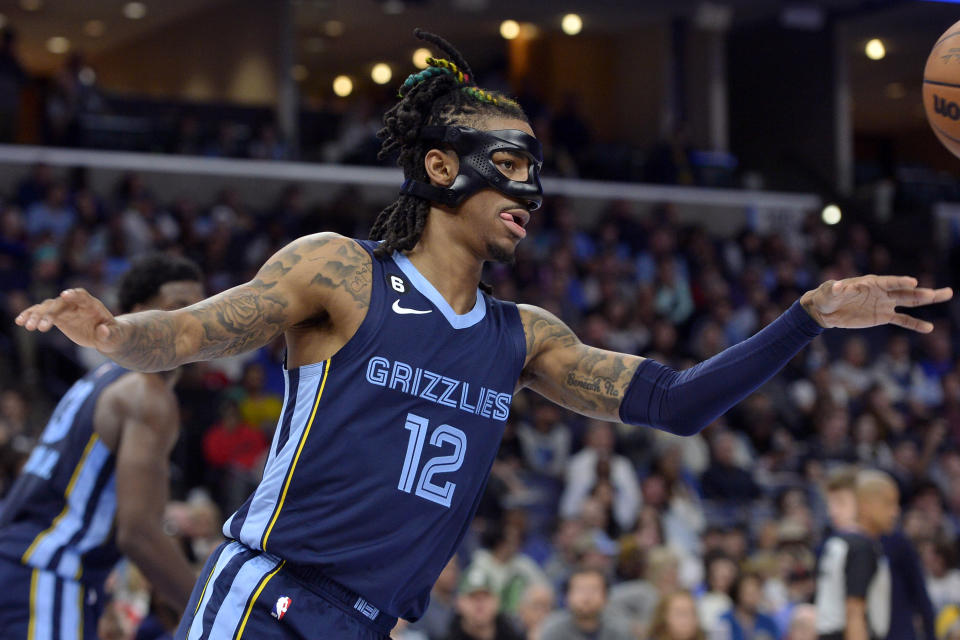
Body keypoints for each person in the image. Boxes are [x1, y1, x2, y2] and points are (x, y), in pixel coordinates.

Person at [14, 29, 953, 640]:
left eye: (534, 170)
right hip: (269, 598)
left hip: (376, 622)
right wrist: (115, 330)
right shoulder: (340, 273)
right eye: (507, 165)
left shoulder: (526, 336)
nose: (528, 192)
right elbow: (186, 335)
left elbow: (676, 404)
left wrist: (808, 319)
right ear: (439, 166)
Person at [0, 254, 204, 639]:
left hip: (21, 566)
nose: (193, 320)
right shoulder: (148, 392)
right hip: (47, 574)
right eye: (178, 308)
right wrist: (211, 609)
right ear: (136, 313)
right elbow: (139, 533)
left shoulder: (101, 378)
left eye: (201, 307)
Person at [814, 470, 900, 640]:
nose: (895, 512)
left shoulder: (837, 542)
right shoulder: (862, 547)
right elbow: (854, 612)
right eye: (889, 504)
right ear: (866, 505)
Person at [539, 568, 632, 640]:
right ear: (567, 597)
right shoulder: (554, 629)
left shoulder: (619, 630)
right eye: (580, 590)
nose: (586, 597)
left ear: (605, 597)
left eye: (593, 590)